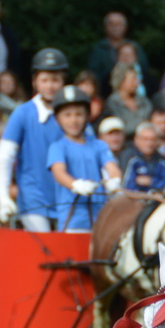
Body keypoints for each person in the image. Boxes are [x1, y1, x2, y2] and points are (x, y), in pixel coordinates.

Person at [0, 47, 69, 231]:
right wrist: (2, 196)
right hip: (33, 199)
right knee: (45, 252)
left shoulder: (73, 113)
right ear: (35, 82)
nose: (50, 86)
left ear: (63, 82)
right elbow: (4, 156)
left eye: (55, 80)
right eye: (45, 80)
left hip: (67, 198)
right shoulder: (22, 113)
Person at [46, 85, 120, 232]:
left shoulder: (99, 145)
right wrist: (76, 184)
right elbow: (59, 173)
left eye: (78, 114)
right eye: (67, 115)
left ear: (87, 116)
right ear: (57, 119)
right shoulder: (58, 147)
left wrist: (115, 181)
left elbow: (112, 167)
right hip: (72, 217)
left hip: (100, 217)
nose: (73, 120)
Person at [85, 11, 149, 87]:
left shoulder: (135, 47)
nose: (115, 27)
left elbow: (144, 71)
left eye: (119, 24)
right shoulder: (98, 49)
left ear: (125, 27)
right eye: (111, 24)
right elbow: (92, 75)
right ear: (105, 27)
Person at [123, 125, 165, 192]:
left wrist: (151, 181)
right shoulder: (130, 158)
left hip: (159, 199)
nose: (149, 143)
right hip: (136, 200)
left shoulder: (161, 161)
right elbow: (127, 187)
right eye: (145, 139)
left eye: (152, 140)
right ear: (136, 140)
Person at [105, 62, 151, 132]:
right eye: (133, 79)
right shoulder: (112, 103)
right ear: (121, 81)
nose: (137, 83)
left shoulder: (144, 102)